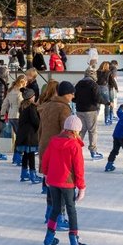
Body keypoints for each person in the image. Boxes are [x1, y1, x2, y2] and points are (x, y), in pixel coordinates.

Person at [41, 115, 88, 245]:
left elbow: (46, 159)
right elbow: (79, 168)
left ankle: (48, 239)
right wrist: (81, 187)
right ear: (76, 131)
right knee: (71, 210)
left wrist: (46, 175)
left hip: (53, 182)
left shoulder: (54, 140)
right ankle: (74, 242)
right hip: (67, 183)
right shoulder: (75, 145)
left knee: (55, 208)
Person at [38, 81, 75, 229]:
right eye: (72, 93)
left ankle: (49, 215)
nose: (73, 96)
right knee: (62, 184)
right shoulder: (63, 109)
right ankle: (59, 218)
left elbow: (40, 130)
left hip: (45, 148)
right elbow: (66, 133)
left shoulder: (47, 106)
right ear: (66, 93)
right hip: (58, 151)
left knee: (51, 184)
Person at [73, 72, 103, 160]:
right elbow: (97, 98)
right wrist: (107, 102)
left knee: (80, 131)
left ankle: (76, 149)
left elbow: (74, 98)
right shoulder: (94, 85)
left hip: (79, 110)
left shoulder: (78, 84)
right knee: (92, 131)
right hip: (91, 110)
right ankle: (93, 151)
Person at [16, 88, 42, 183]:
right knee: (31, 155)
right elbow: (35, 121)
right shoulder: (32, 107)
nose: (35, 97)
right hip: (30, 135)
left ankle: (24, 173)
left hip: (23, 135)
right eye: (34, 95)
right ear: (31, 97)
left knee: (26, 155)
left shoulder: (22, 106)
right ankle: (32, 175)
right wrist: (40, 125)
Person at [2, 75, 26, 164]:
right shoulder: (19, 92)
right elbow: (21, 105)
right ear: (22, 82)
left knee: (18, 137)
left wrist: (2, 113)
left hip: (11, 116)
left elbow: (5, 103)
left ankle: (16, 157)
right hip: (18, 116)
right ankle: (17, 157)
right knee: (20, 137)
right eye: (25, 83)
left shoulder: (10, 90)